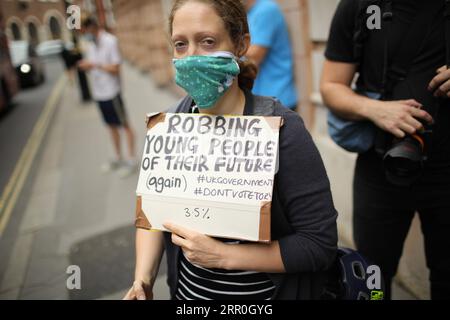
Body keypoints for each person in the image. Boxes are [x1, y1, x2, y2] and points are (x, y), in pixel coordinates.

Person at [124, 0, 337, 300]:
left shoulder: (283, 131)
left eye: (207, 42)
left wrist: (225, 256)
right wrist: (143, 279)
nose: (192, 57)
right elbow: (152, 215)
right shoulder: (168, 125)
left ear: (240, 44)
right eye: (180, 45)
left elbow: (318, 245)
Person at [321, 0, 450, 299]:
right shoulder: (360, 6)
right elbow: (330, 85)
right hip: (380, 167)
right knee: (373, 279)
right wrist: (374, 110)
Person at [78, 17, 137, 177]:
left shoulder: (110, 41)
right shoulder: (90, 44)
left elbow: (116, 68)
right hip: (99, 93)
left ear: (92, 27)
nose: (83, 34)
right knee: (111, 126)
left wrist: (94, 65)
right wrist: (87, 66)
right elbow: (93, 65)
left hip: (112, 92)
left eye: (84, 30)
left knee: (125, 125)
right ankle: (118, 157)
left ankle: (131, 159)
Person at [243, 0, 298, 110]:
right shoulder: (250, 12)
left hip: (276, 99)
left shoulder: (266, 9)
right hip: (261, 99)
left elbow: (254, 57)